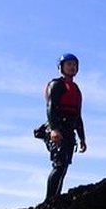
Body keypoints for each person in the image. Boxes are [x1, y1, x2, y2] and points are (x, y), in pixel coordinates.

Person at [43, 53, 87, 200]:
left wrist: (82, 138)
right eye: (68, 64)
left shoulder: (76, 89)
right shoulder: (56, 85)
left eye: (74, 65)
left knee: (64, 166)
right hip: (57, 128)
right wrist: (54, 129)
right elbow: (50, 107)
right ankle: (49, 200)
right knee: (59, 164)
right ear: (61, 67)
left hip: (69, 130)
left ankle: (55, 199)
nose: (72, 67)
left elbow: (78, 115)